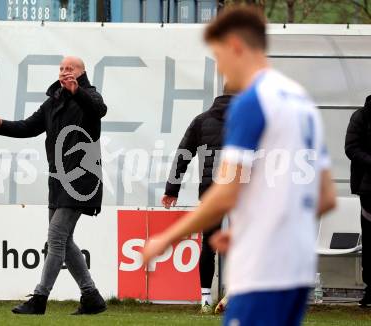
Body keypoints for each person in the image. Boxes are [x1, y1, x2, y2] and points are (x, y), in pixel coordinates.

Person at [143, 6, 336, 326]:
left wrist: (166, 240)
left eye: (218, 56)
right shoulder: (300, 100)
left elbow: (225, 193)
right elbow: (325, 196)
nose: (220, 66)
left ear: (235, 47)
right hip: (297, 268)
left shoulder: (251, 103)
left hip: (261, 272)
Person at [0, 56, 107, 315]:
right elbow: (30, 126)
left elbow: (100, 109)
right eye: (62, 68)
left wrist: (78, 92)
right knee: (64, 240)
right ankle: (92, 296)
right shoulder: (54, 101)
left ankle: (40, 298)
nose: (65, 72)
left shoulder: (90, 96)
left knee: (56, 238)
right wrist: (1, 125)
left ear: (82, 73)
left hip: (81, 180)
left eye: (70, 68)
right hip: (59, 180)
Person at [162, 91, 233, 313]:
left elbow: (183, 154)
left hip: (211, 191)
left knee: (209, 245)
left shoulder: (201, 121)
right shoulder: (248, 120)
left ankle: (205, 299)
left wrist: (172, 189)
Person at [345, 95, 371, 307]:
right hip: (369, 188)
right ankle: (370, 287)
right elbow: (351, 148)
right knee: (370, 239)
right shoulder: (361, 116)